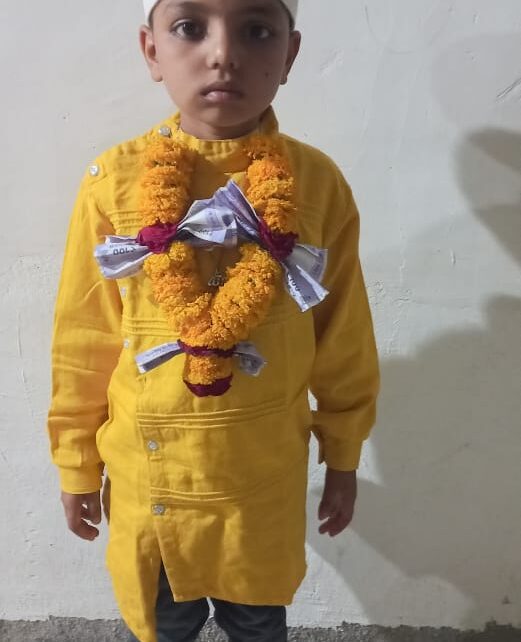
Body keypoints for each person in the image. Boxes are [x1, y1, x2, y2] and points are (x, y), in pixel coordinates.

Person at [47, 0, 380, 640]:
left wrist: (343, 454)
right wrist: (76, 463)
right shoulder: (113, 183)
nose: (223, 54)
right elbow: (83, 340)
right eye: (189, 28)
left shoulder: (316, 184)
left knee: (258, 623)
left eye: (256, 30)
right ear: (152, 50)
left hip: (262, 480)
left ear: (290, 53)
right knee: (163, 624)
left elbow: (343, 335)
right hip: (152, 483)